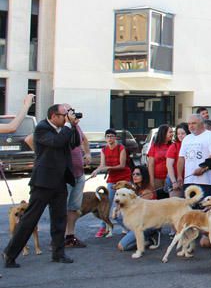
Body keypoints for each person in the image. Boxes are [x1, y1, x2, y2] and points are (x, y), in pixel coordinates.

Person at [3, 104, 81, 269]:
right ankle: (10, 254)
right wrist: (68, 126)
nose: (66, 117)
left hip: (60, 180)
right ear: (53, 116)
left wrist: (73, 126)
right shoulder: (42, 128)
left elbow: (74, 144)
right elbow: (57, 143)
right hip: (43, 182)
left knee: (60, 218)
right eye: (64, 114)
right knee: (30, 219)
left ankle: (58, 253)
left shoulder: (65, 128)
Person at [91, 128, 132, 237]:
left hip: (124, 178)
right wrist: (96, 171)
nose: (110, 138)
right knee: (106, 202)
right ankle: (103, 227)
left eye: (112, 136)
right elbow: (102, 165)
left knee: (123, 203)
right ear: (105, 138)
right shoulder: (104, 150)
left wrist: (107, 167)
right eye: (108, 136)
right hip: (112, 179)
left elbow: (122, 165)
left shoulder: (121, 148)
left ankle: (127, 227)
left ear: (115, 138)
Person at [117, 166, 160, 251]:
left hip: (148, 225)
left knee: (122, 246)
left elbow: (137, 211)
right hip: (138, 223)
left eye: (138, 174)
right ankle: (141, 237)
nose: (135, 176)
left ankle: (150, 238)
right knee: (118, 216)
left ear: (144, 176)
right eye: (133, 174)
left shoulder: (147, 191)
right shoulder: (135, 189)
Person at [178, 114, 211, 198]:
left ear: (202, 123)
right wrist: (179, 176)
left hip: (205, 181)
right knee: (190, 208)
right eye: (189, 124)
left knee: (204, 208)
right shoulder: (187, 138)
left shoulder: (210, 135)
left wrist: (203, 169)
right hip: (189, 180)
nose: (191, 126)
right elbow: (181, 158)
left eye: (194, 123)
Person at [64, 117, 91, 248]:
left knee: (74, 208)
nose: (73, 115)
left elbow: (84, 139)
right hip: (65, 176)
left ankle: (70, 237)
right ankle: (57, 239)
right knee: (60, 209)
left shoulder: (76, 127)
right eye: (69, 112)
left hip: (79, 174)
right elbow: (30, 139)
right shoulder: (59, 128)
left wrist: (87, 153)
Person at [147, 124, 173, 192]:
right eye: (170, 132)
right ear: (163, 133)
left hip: (170, 177)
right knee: (158, 199)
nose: (172, 134)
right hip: (157, 179)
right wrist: (151, 180)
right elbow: (150, 165)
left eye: (172, 132)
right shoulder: (154, 146)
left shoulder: (173, 146)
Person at [166, 122, 188, 198]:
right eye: (178, 134)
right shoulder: (174, 146)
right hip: (175, 179)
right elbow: (169, 165)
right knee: (176, 206)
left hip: (189, 179)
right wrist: (174, 182)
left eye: (183, 133)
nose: (180, 136)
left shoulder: (192, 144)